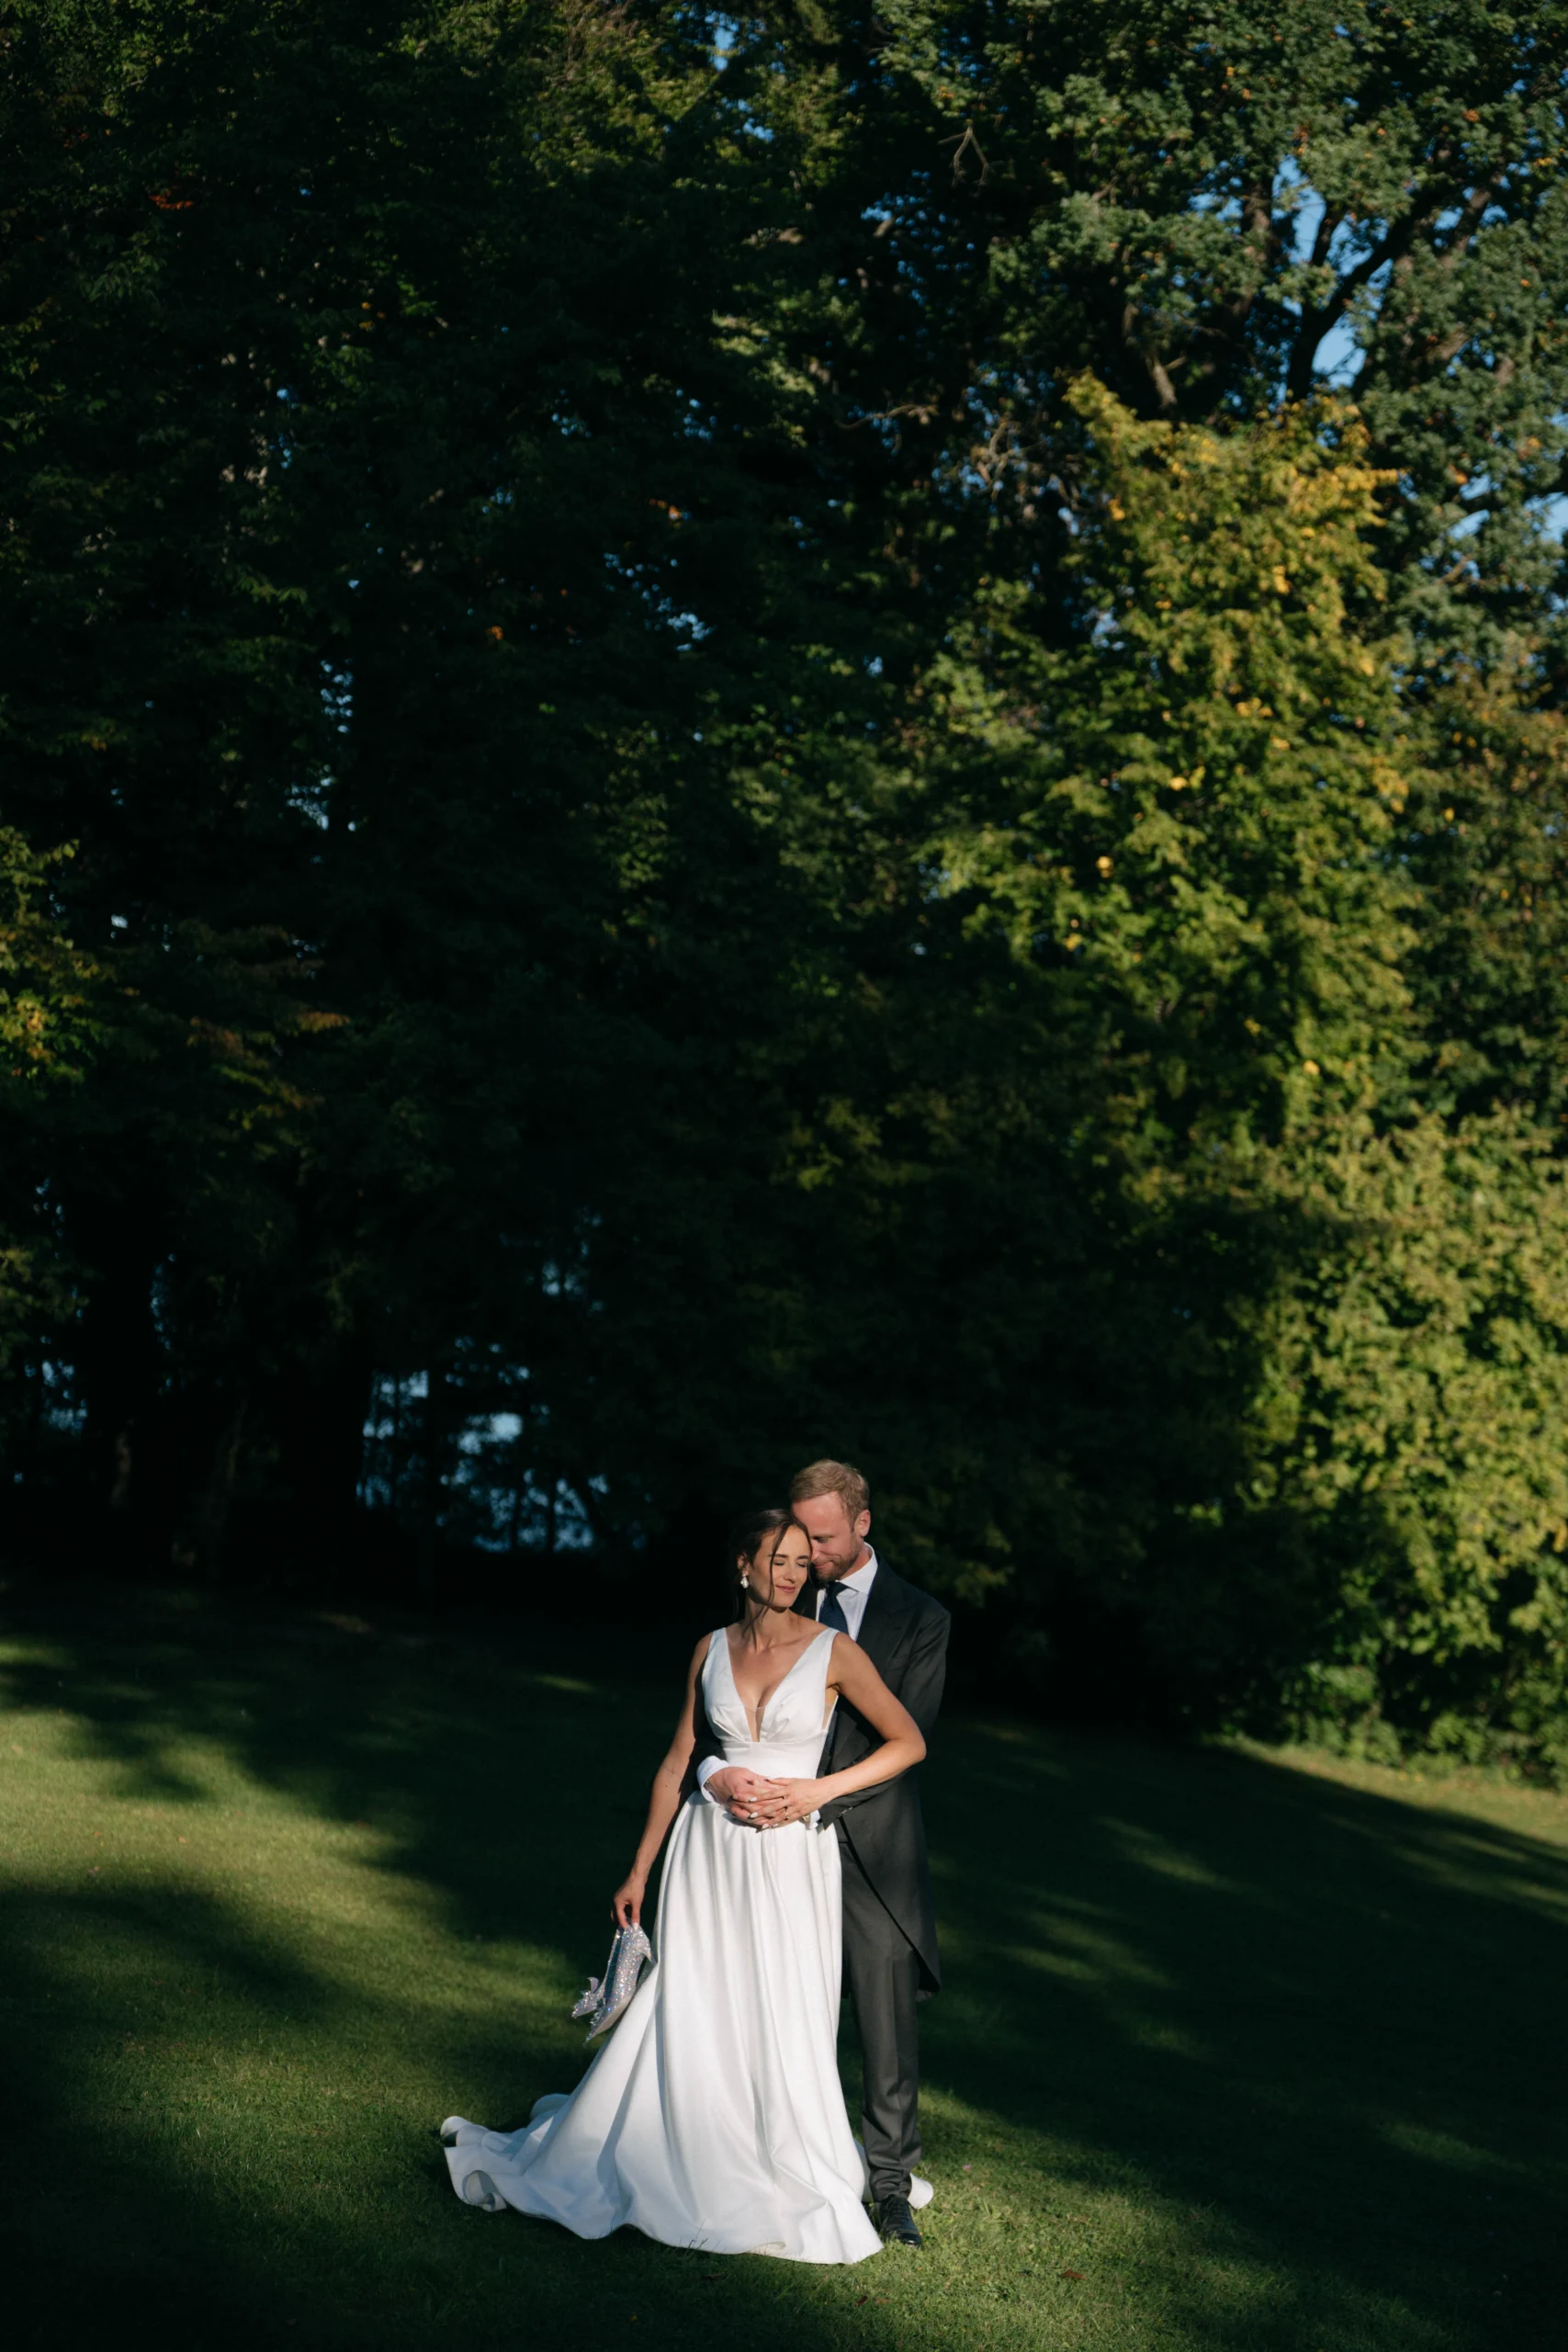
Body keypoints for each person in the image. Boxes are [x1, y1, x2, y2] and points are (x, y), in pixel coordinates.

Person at [439, 1507, 926, 2263]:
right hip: (707, 1850)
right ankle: (678, 2138)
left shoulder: (834, 1650)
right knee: (694, 1993)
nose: (791, 1575)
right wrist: (639, 1868)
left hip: (790, 1854)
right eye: (777, 1560)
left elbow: (907, 1741)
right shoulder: (710, 1647)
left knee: (783, 2001)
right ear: (742, 1565)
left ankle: (777, 2148)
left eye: (802, 1563)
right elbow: (677, 1761)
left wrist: (816, 1792)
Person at [695, 1460, 948, 2248]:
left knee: (883, 2020)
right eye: (797, 1539)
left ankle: (889, 2187)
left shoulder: (921, 1618)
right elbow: (719, 1716)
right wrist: (723, 1775)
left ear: (862, 1525)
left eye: (823, 1539)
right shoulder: (776, 1593)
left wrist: (811, 1796)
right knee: (755, 2003)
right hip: (763, 1847)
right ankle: (754, 2155)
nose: (807, 1555)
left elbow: (907, 1733)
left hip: (868, 1843)